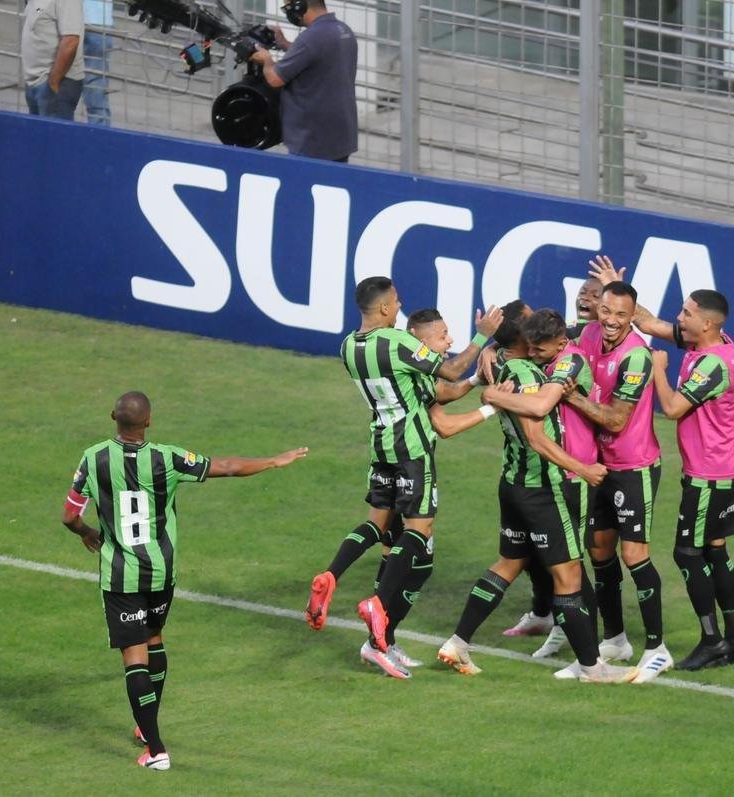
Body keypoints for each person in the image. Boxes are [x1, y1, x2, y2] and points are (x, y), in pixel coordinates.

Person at [60, 391, 307, 770]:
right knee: (154, 640)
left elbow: (69, 516)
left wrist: (86, 532)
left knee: (134, 657)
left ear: (113, 417)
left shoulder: (93, 458)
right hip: (161, 572)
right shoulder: (167, 458)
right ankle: (147, 727)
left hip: (121, 576)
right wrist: (274, 460)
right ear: (149, 421)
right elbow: (226, 466)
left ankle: (156, 750)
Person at [305, 278, 501, 679]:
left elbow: (437, 389)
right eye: (395, 302)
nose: (399, 306)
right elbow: (450, 368)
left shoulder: (348, 346)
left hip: (380, 447)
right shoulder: (397, 343)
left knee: (377, 526)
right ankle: (378, 605)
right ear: (382, 308)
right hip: (411, 450)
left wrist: (474, 382)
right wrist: (482, 336)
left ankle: (332, 576)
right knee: (419, 530)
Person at [436, 307, 634, 683]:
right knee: (569, 576)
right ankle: (592, 667)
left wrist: (489, 371)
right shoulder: (527, 375)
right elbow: (537, 437)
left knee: (508, 564)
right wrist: (582, 468)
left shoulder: (500, 363)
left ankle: (458, 642)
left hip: (512, 483)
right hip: (542, 488)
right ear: (523, 340)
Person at [590, 256, 734, 669]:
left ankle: (712, 640)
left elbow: (674, 408)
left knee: (687, 554)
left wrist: (658, 369)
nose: (679, 318)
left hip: (708, 475)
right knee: (715, 550)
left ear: (707, 324)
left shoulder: (713, 365)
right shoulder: (711, 343)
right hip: (721, 469)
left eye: (686, 313)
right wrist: (616, 291)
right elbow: (649, 323)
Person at [563, 276, 673, 683]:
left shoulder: (637, 357)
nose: (610, 320)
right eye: (605, 310)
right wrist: (495, 349)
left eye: (620, 315)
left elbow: (616, 419)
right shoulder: (588, 334)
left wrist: (572, 396)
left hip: (634, 465)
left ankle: (657, 648)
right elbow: (546, 337)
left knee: (634, 554)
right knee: (599, 550)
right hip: (599, 463)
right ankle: (615, 639)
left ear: (632, 317)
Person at [485, 309, 600, 666]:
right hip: (555, 470)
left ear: (560, 343)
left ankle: (592, 651)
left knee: (571, 567)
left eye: (539, 349)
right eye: (530, 348)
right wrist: (490, 349)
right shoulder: (548, 350)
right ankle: (571, 635)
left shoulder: (569, 361)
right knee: (559, 563)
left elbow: (539, 406)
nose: (532, 355)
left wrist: (493, 396)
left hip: (573, 472)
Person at [250, 0, 357, 162]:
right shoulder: (343, 30)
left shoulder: (310, 37)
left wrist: (266, 59)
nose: (288, 11)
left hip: (312, 138)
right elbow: (316, 54)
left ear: (299, 5)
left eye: (288, 6)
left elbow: (275, 79)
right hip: (340, 135)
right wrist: (285, 44)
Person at [22, 0, 85, 119]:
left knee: (53, 131)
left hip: (56, 84)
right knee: (37, 130)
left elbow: (71, 41)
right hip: (36, 82)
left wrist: (53, 83)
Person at [81, 0, 113, 125]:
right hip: (99, 19)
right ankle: (100, 133)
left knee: (58, 90)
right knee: (96, 90)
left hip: (65, 16)